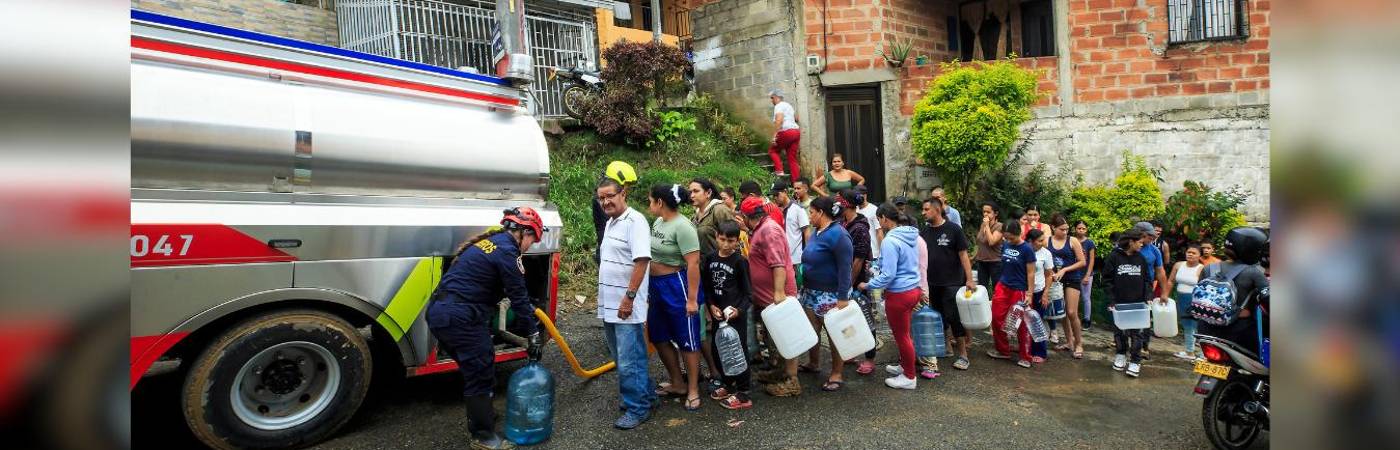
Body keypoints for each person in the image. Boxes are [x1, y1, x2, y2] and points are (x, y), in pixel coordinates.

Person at [426, 208, 546, 449]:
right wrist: (533, 334)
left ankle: (484, 416)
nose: (532, 245)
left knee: (480, 366)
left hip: (442, 313)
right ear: (523, 231)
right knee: (480, 370)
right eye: (533, 239)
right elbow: (519, 298)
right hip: (460, 317)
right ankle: (483, 437)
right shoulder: (507, 252)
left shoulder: (491, 243)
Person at [595, 178, 657, 429]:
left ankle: (637, 408)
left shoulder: (635, 221)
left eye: (610, 196)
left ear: (623, 193)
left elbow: (642, 261)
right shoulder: (611, 222)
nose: (606, 202)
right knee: (625, 356)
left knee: (630, 358)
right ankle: (646, 396)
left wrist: (629, 298)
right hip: (610, 305)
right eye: (601, 198)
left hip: (625, 305)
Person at [646, 184, 705, 411]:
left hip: (677, 286)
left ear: (660, 202)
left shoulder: (684, 227)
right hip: (656, 286)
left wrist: (691, 299)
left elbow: (693, 263)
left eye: (651, 200)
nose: (649, 204)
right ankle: (677, 382)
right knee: (659, 336)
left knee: (687, 338)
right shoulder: (659, 222)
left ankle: (692, 389)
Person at [739, 197, 802, 397]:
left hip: (776, 297)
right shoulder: (761, 229)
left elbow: (778, 264)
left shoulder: (769, 230)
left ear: (746, 216)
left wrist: (778, 293)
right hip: (767, 298)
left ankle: (792, 381)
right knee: (774, 338)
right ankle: (782, 372)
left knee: (786, 337)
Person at [857, 204, 923, 390]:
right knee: (906, 334)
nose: (879, 223)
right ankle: (905, 366)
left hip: (900, 294)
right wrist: (878, 268)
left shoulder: (889, 241)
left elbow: (889, 275)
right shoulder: (910, 235)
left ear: (884, 218)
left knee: (902, 336)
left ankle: (909, 377)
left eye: (879, 220)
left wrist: (868, 284)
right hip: (913, 290)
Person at [798, 196, 854, 392]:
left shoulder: (839, 235)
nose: (809, 216)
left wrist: (842, 298)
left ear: (821, 213)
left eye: (811, 212)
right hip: (811, 291)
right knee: (813, 328)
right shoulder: (817, 232)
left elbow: (845, 268)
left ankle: (837, 372)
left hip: (831, 294)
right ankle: (814, 363)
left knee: (834, 333)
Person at [701, 221, 755, 410]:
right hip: (718, 316)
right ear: (716, 237)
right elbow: (706, 287)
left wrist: (738, 310)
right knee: (719, 350)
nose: (725, 244)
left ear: (737, 241)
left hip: (735, 317)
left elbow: (749, 295)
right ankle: (728, 383)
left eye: (730, 241)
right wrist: (711, 306)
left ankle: (744, 392)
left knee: (738, 352)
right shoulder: (709, 258)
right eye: (722, 239)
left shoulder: (740, 262)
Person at [920, 196, 978, 371]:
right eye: (923, 210)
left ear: (937, 210)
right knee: (938, 317)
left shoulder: (954, 229)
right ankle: (946, 347)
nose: (923, 213)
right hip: (932, 283)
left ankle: (963, 355)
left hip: (952, 282)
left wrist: (969, 279)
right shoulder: (925, 232)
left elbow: (963, 256)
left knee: (954, 317)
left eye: (926, 209)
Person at [1194, 227, 1270, 354]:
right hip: (1239, 331)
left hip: (1205, 327)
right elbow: (1269, 299)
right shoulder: (1253, 273)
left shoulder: (1208, 269)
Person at [836, 189, 878, 375]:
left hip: (858, 281)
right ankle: (851, 351)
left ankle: (870, 358)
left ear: (846, 204)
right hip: (845, 279)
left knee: (865, 317)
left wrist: (849, 284)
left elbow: (858, 260)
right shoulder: (843, 223)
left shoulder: (860, 228)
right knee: (848, 319)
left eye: (839, 201)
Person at [1103, 229, 1151, 378]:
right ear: (1131, 242)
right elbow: (1107, 280)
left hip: (1138, 303)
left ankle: (1135, 361)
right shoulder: (1114, 257)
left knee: (1137, 334)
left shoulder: (1141, 259)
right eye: (1140, 242)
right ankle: (1120, 354)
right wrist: (1111, 300)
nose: (1142, 245)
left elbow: (1147, 280)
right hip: (1119, 303)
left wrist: (1148, 297)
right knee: (1120, 331)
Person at [988, 220, 1036, 368]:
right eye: (1006, 237)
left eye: (1011, 238)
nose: (1008, 240)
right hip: (1003, 286)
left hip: (1019, 290)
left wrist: (1029, 293)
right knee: (996, 318)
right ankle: (1003, 350)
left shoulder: (1027, 249)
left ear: (1019, 233)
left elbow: (1031, 273)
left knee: (1021, 324)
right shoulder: (1006, 245)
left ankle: (1025, 356)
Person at [1048, 215, 1088, 359]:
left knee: (1072, 312)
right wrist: (1051, 272)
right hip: (1056, 280)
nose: (1065, 232)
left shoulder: (1073, 241)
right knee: (1062, 313)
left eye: (1066, 229)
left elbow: (1082, 262)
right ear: (1053, 227)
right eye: (1062, 229)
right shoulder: (1048, 241)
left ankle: (1079, 343)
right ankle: (1069, 342)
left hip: (1072, 279)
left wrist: (1064, 269)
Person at [1132, 221, 1169, 359]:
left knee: (1145, 316)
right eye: (1150, 236)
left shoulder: (1154, 250)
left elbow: (1160, 272)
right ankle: (1122, 344)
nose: (1153, 238)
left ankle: (1144, 347)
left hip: (1146, 287)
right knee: (1125, 314)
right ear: (1140, 234)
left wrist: (1164, 292)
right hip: (1127, 285)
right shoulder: (1128, 248)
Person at [1164, 244, 1206, 360]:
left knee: (1198, 326)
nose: (1190, 254)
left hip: (1196, 300)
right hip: (1181, 298)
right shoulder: (1178, 265)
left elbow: (1205, 287)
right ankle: (1189, 352)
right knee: (1187, 325)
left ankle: (1204, 354)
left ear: (1199, 256)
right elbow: (1171, 281)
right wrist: (1165, 295)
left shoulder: (1202, 268)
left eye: (1194, 253)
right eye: (1189, 252)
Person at [594, 161, 638, 264]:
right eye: (626, 185)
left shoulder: (607, 198)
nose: (628, 188)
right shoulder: (605, 202)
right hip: (611, 253)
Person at [772, 180, 811, 286]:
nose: (775, 198)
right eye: (773, 195)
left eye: (777, 194)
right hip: (782, 258)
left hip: (796, 259)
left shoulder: (798, 210)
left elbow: (806, 232)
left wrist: (808, 254)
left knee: (798, 288)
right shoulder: (776, 211)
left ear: (785, 192)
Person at [689, 178, 735, 256]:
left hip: (717, 264)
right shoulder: (695, 215)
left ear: (709, 193)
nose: (692, 195)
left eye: (696, 191)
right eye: (690, 192)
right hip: (699, 263)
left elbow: (733, 237)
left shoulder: (720, 210)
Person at [1027, 229, 1054, 363]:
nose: (1043, 243)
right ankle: (1026, 349)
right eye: (1040, 240)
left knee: (1036, 322)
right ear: (1030, 241)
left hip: (1038, 290)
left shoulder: (1046, 254)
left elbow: (1049, 275)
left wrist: (1045, 293)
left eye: (1044, 240)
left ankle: (1040, 351)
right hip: (1023, 290)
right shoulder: (1024, 250)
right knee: (1024, 322)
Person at [767, 89, 801, 181]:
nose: (771, 100)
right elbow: (796, 118)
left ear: (777, 97)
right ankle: (797, 183)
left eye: (772, 98)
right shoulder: (788, 105)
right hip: (796, 132)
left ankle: (779, 171)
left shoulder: (778, 106)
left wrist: (774, 135)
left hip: (786, 132)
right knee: (792, 159)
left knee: (772, 151)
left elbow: (779, 120)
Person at [975, 202, 1005, 290]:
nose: (985, 214)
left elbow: (991, 241)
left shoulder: (999, 226)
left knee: (997, 289)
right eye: (984, 212)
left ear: (995, 213)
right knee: (981, 289)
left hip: (995, 262)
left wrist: (987, 226)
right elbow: (979, 243)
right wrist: (973, 258)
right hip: (981, 262)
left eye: (988, 212)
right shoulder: (982, 225)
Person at [1073, 220, 1097, 329]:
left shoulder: (1089, 243)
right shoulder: (1071, 241)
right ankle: (1074, 318)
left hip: (1086, 273)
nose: (1081, 230)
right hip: (1073, 273)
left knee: (1086, 297)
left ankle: (1087, 319)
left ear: (1086, 230)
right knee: (1073, 297)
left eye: (1083, 228)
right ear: (1075, 229)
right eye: (1079, 228)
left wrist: (1087, 275)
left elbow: (1091, 260)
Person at [855, 185, 882, 262]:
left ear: (865, 195)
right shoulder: (854, 209)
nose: (858, 197)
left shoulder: (874, 209)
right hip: (859, 252)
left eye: (860, 195)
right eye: (856, 195)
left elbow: (879, 231)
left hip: (873, 252)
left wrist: (881, 252)